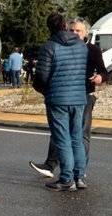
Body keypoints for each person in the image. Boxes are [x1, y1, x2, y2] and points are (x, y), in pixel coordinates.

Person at [30, 18, 106, 180]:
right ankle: (53, 165)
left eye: (78, 30)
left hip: (84, 95)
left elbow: (103, 71)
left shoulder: (91, 50)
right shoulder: (62, 46)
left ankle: (77, 172)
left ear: (86, 33)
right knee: (61, 134)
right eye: (72, 30)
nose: (74, 33)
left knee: (79, 135)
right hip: (67, 95)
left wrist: (100, 77)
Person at [31, 12, 89, 191]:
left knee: (62, 139)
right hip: (79, 97)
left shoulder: (49, 46)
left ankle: (66, 179)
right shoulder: (82, 46)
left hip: (58, 98)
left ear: (49, 28)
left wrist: (44, 90)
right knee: (77, 138)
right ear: (65, 25)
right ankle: (79, 177)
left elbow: (42, 76)